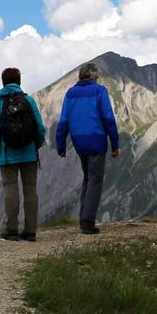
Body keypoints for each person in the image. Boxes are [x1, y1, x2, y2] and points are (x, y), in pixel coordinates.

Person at [55, 61, 119, 235]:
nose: (98, 79)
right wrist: (115, 144)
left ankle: (84, 216)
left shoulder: (70, 93)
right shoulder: (99, 91)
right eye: (97, 76)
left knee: (88, 178)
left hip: (79, 143)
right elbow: (108, 119)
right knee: (95, 180)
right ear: (93, 76)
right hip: (97, 141)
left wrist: (60, 145)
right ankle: (87, 221)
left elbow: (63, 121)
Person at [0, 67, 46, 242]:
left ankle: (11, 230)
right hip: (29, 154)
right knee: (30, 191)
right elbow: (40, 127)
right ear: (19, 82)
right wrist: (37, 145)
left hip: (7, 155)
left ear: (3, 82)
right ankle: (30, 231)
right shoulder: (29, 101)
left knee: (10, 191)